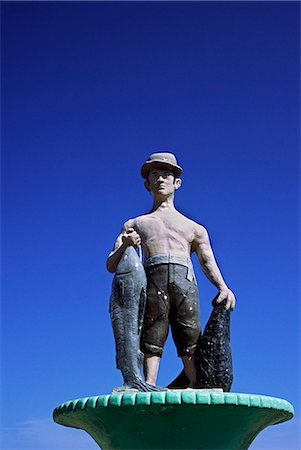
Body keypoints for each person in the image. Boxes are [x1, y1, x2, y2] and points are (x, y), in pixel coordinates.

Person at [106, 152, 235, 388]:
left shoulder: (194, 228)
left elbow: (207, 261)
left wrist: (223, 287)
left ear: (177, 183)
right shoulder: (135, 224)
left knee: (189, 333)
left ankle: (198, 384)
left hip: (185, 280)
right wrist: (125, 244)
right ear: (147, 184)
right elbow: (111, 265)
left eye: (166, 175)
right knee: (152, 333)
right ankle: (147, 383)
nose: (160, 180)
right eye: (155, 175)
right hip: (152, 280)